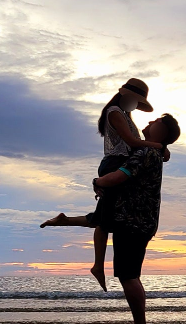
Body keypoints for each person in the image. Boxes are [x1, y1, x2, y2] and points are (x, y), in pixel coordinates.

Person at [40, 78, 166, 291]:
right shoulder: (115, 112)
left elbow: (135, 146)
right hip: (113, 165)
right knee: (105, 221)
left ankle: (67, 225)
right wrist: (159, 146)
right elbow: (133, 143)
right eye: (135, 101)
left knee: (106, 218)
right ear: (125, 95)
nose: (135, 106)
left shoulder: (125, 114)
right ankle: (98, 266)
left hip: (119, 164)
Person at [92, 113, 180, 324]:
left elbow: (120, 176)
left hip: (133, 221)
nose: (150, 122)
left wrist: (98, 182)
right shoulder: (154, 152)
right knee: (130, 274)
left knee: (128, 275)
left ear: (161, 133)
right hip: (142, 221)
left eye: (155, 122)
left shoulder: (146, 152)